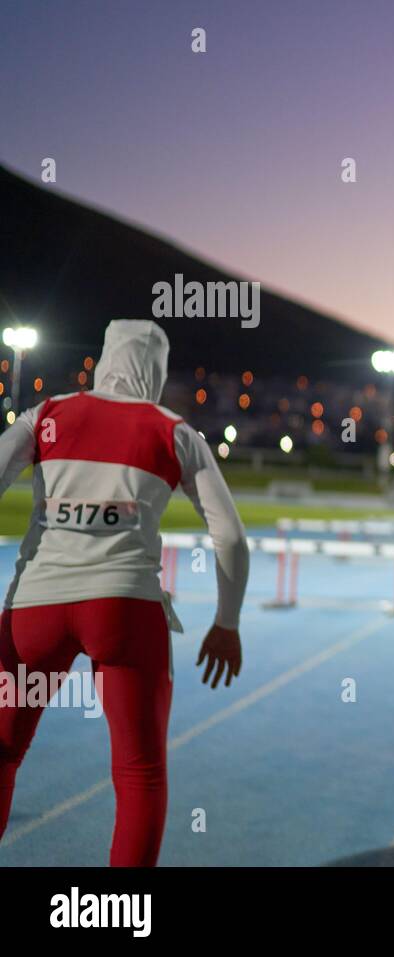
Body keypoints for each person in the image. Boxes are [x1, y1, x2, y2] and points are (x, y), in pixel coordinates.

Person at [0, 319, 249, 866]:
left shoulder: (47, 415)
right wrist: (226, 623)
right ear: (156, 370)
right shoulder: (174, 430)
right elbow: (229, 537)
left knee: (3, 755)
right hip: (125, 610)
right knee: (139, 776)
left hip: (34, 610)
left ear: (104, 357)